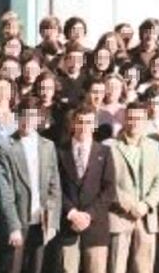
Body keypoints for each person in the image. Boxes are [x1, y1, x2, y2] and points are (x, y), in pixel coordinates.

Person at [0, 97, 62, 273]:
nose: (27, 121)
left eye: (32, 116)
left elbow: (54, 187)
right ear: (18, 117)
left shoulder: (48, 146)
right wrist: (13, 227)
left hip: (40, 224)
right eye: (23, 115)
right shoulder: (5, 147)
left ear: (39, 119)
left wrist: (52, 222)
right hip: (17, 223)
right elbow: (5, 192)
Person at [107, 102, 159, 273]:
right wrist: (128, 205)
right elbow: (108, 182)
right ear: (125, 119)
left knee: (143, 268)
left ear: (145, 120)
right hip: (120, 215)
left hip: (146, 217)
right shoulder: (111, 147)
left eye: (138, 118)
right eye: (131, 117)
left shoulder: (153, 146)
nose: (134, 122)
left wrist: (146, 204)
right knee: (116, 267)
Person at [57, 105, 115, 273]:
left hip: (96, 227)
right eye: (80, 122)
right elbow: (54, 188)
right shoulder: (60, 151)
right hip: (68, 226)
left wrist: (89, 215)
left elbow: (109, 189)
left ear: (94, 125)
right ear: (73, 123)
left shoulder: (104, 152)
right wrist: (72, 214)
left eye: (88, 122)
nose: (84, 126)